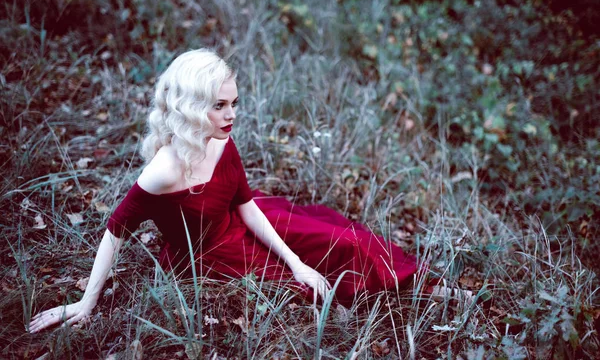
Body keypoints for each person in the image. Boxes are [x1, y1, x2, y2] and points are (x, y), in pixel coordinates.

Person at [28, 48, 423, 334]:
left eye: (234, 103)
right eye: (219, 105)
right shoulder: (162, 172)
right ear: (192, 107)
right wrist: (85, 302)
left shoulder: (220, 139)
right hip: (207, 255)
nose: (231, 114)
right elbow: (114, 230)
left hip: (242, 222)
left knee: (341, 240)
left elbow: (246, 204)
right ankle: (390, 297)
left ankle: (422, 283)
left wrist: (294, 258)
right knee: (307, 286)